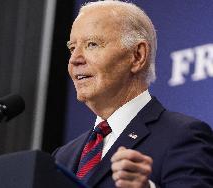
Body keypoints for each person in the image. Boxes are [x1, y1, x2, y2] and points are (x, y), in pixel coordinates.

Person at [52, 1, 213, 188]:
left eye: (92, 44)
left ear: (137, 56)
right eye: (72, 48)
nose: (75, 59)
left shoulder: (183, 136)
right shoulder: (62, 157)